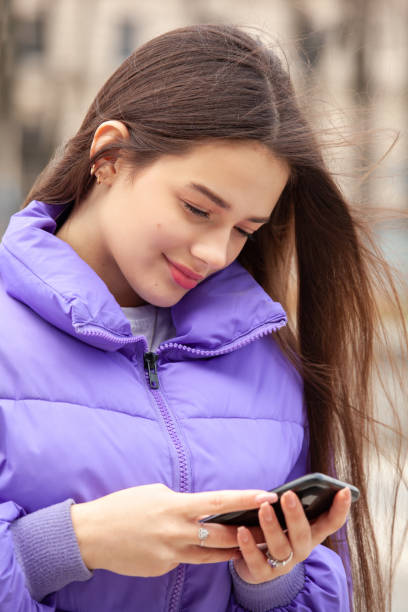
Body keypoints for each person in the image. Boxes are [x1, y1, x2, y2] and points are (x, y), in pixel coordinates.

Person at [0, 24, 405, 612]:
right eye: (197, 208)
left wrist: (271, 582)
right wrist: (75, 543)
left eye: (244, 229)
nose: (216, 254)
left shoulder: (267, 358)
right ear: (109, 156)